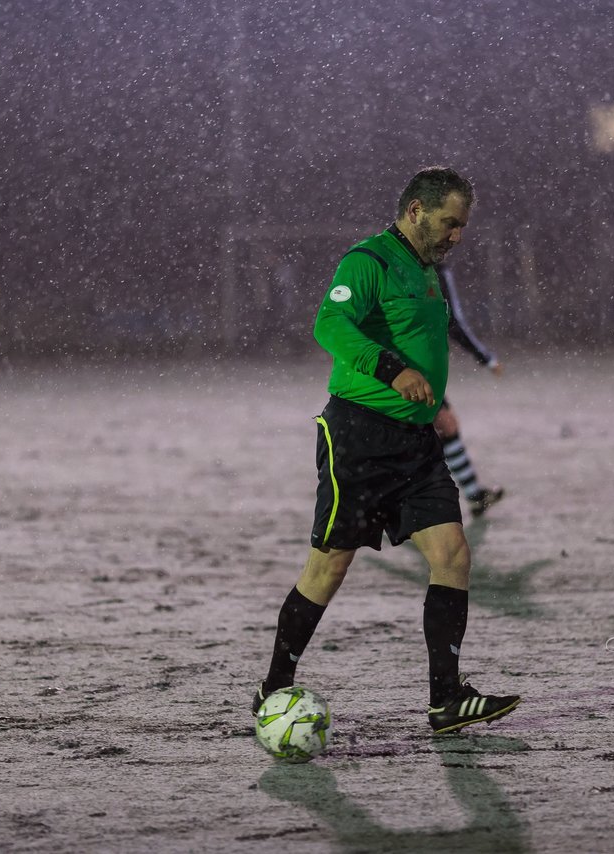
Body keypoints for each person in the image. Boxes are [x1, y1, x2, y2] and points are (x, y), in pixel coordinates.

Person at [252, 167, 520, 734]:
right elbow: (330, 324)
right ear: (416, 211)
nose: (458, 236)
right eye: (450, 223)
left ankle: (446, 700)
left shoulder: (426, 272)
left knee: (452, 555)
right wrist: (392, 370)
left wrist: (432, 395)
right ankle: (274, 688)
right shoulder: (367, 261)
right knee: (328, 568)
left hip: (416, 444)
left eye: (464, 226)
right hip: (359, 438)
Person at [434, 263, 506, 517]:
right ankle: (382, 505)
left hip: (410, 365)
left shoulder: (412, 266)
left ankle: (475, 496)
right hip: (405, 365)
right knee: (426, 432)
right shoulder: (428, 270)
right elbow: (453, 321)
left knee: (445, 426)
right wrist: (484, 356)